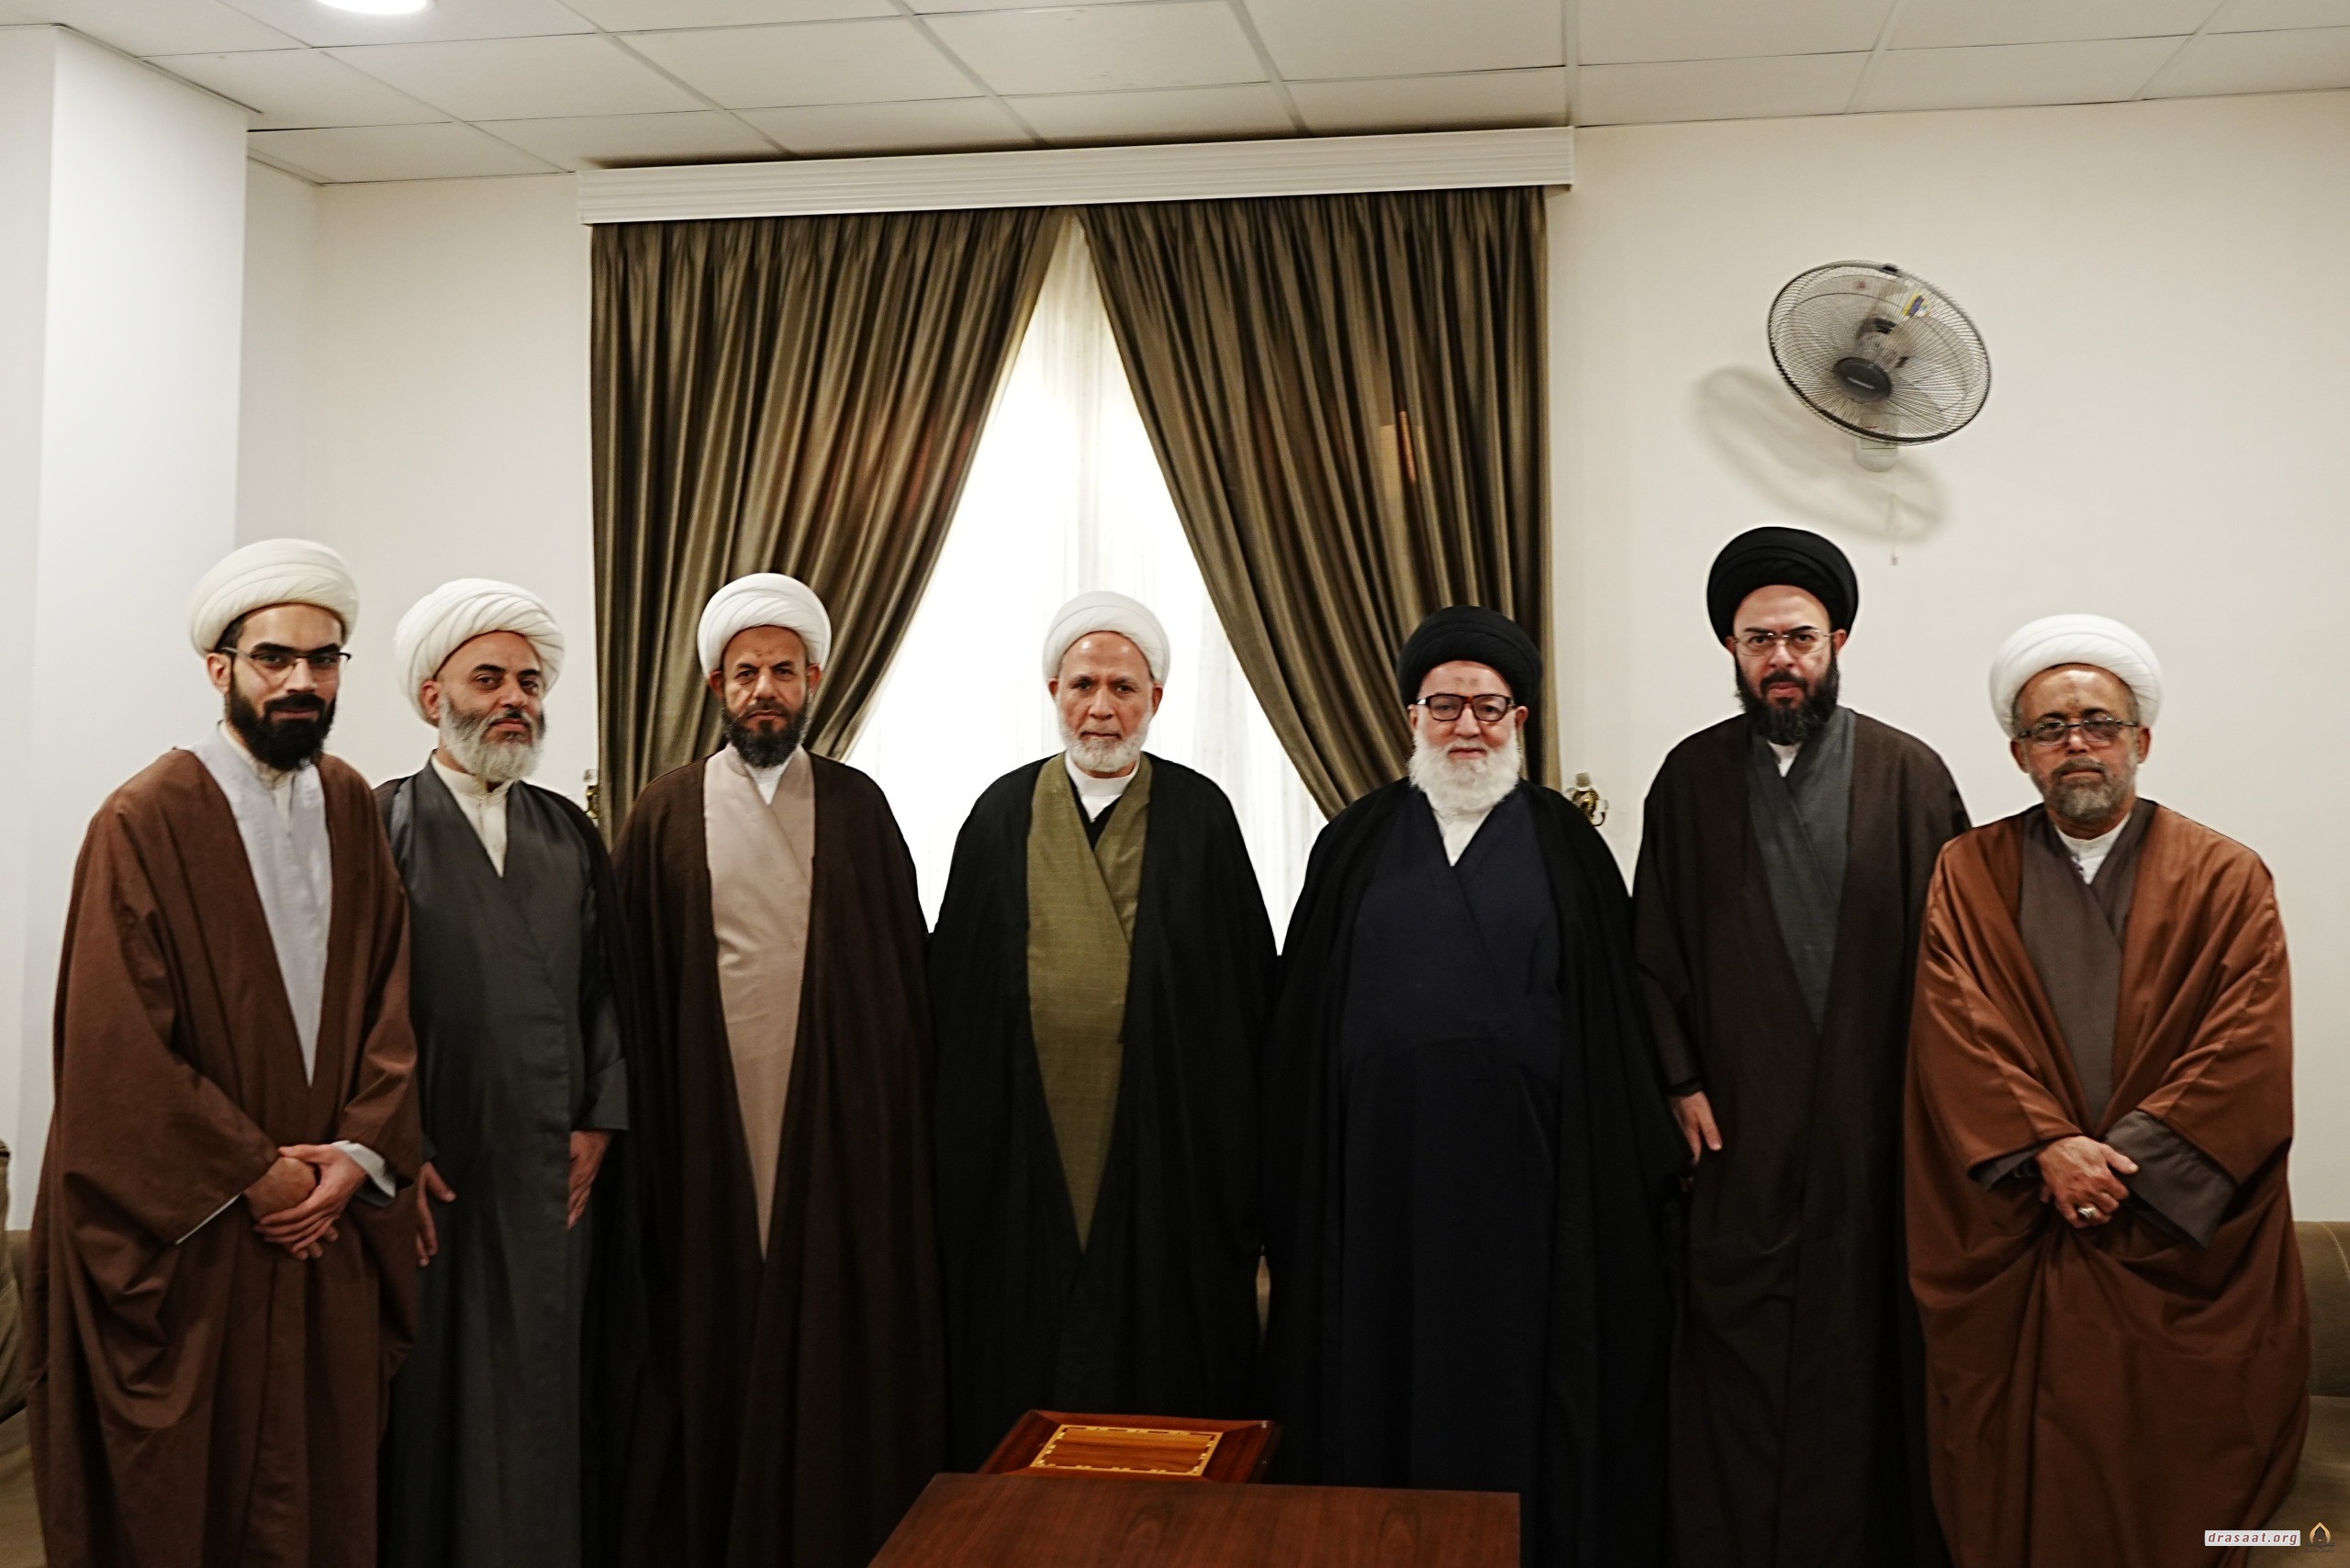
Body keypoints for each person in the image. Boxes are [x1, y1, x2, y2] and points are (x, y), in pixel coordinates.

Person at [1262, 606, 1683, 1568]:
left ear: (1519, 719)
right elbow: (1299, 1028)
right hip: (1377, 1187)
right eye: (1444, 706)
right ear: (1411, 716)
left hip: (1532, 1195)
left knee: (1518, 1387)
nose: (1466, 728)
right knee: (1379, 1379)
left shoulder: (1569, 847)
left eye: (1488, 708)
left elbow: (1615, 1030)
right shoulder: (1353, 843)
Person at [28, 539, 420, 1568]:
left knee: (323, 1486)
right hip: (203, 1240)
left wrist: (357, 1156)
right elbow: (115, 1045)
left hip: (325, 1221)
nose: (301, 681)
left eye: (323, 659)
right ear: (220, 668)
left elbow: (393, 999)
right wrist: (254, 1171)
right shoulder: (144, 817)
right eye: (274, 658)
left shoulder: (352, 804)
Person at [1908, 615, 2305, 1568]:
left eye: (2097, 722)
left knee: (2184, 1468)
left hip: (2168, 1233)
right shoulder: (1967, 872)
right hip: (2023, 1215)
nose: (2076, 743)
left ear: (2141, 740)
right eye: (2049, 728)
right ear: (2019, 753)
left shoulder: (2226, 876)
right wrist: (2047, 1147)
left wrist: (2123, 1165)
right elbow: (1957, 1030)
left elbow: (2243, 1046)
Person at [1634, 527, 1965, 1567]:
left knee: (1867, 1361)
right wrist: (1678, 1080)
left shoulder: (1911, 776)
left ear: (1839, 642)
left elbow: (1962, 970)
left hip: (1875, 1145)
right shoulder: (1688, 779)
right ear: (1731, 649)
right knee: (1736, 1374)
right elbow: (1651, 954)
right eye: (1758, 641)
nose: (1781, 659)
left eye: (1800, 639)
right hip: (1740, 1140)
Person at [613, 573, 940, 1568]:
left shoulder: (858, 808)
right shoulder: (664, 812)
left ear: (815, 681)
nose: (766, 689)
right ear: (718, 684)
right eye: (748, 671)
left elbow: (903, 992)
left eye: (784, 672)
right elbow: (629, 989)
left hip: (835, 1137)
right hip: (705, 1130)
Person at [929, 592, 1276, 1465]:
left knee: (1160, 1373)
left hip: (1167, 1165)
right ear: (1054, 691)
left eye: (1123, 687)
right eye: (1083, 685)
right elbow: (958, 1004)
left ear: (1155, 699)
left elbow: (1242, 1003)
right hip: (1021, 1159)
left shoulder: (1202, 818)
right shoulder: (999, 818)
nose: (1101, 708)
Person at [376, 580, 643, 1568]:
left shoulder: (568, 831)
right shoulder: (380, 823)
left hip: (549, 1180)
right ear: (432, 695)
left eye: (528, 682)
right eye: (487, 679)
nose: (513, 700)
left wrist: (601, 1122)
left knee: (540, 1395)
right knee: (436, 1406)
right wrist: (396, 1150)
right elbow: (356, 1009)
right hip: (434, 1178)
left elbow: (606, 991)